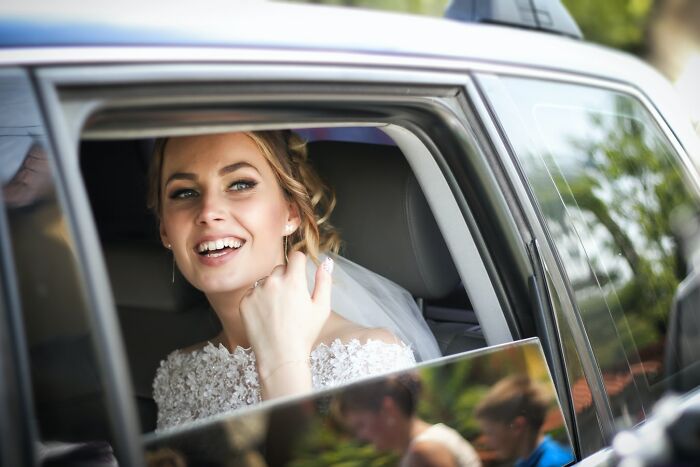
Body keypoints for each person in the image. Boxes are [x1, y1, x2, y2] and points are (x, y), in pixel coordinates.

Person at [149, 130, 441, 430]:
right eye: (184, 192)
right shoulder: (179, 374)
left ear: (291, 212)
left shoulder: (368, 361)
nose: (208, 212)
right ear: (165, 230)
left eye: (240, 184)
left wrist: (282, 366)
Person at [337, 373, 481, 467]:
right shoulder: (426, 441)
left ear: (388, 409)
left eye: (361, 425)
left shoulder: (424, 451)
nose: (361, 436)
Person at [474, 375, 574, 467]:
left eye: (490, 433)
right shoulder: (524, 462)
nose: (486, 442)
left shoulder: (555, 463)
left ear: (517, 426)